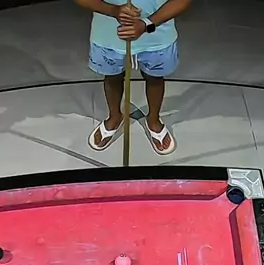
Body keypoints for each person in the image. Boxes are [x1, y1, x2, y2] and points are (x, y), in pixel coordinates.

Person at [74, 0, 191, 154]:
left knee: (155, 78)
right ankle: (114, 117)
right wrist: (113, 10)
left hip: (157, 36)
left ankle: (153, 119)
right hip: (108, 35)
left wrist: (147, 23)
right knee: (112, 77)